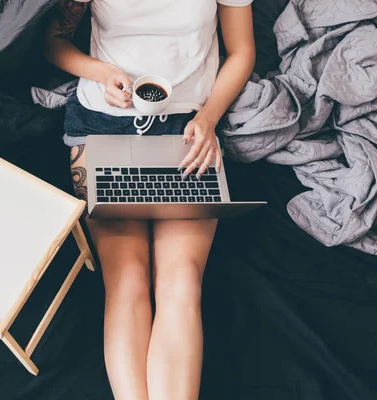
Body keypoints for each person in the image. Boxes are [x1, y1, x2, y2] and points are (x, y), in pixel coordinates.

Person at [45, 1, 255, 399]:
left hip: (188, 130)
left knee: (182, 281)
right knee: (126, 280)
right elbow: (52, 41)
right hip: (101, 124)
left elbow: (242, 50)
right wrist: (102, 73)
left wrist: (209, 118)